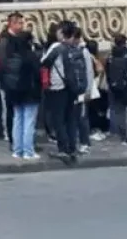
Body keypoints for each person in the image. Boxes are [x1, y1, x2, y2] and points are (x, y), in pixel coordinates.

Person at [42, 21, 83, 165]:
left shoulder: (56, 47)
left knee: (58, 120)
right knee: (70, 119)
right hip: (72, 88)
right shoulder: (76, 48)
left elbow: (44, 62)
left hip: (57, 88)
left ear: (61, 33)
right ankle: (72, 147)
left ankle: (63, 149)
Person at [0, 12, 35, 154]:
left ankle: (21, 141)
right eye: (19, 23)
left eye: (22, 23)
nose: (21, 26)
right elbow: (2, 62)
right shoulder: (5, 40)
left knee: (19, 112)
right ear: (11, 24)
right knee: (12, 112)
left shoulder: (21, 39)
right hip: (10, 81)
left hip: (21, 81)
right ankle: (14, 141)